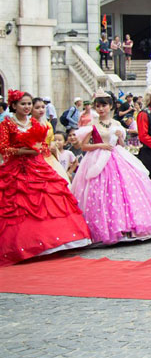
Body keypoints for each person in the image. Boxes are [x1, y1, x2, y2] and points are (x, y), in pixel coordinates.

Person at [0, 90, 92, 266]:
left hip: (37, 166)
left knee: (50, 199)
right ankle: (25, 244)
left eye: (28, 104)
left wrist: (39, 149)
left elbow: (42, 145)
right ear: (13, 106)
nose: (27, 107)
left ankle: (55, 240)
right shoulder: (6, 124)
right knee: (18, 205)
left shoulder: (34, 122)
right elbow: (4, 148)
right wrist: (24, 151)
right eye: (23, 104)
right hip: (16, 169)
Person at [71, 90, 151, 245]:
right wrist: (100, 145)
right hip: (98, 158)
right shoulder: (92, 125)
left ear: (111, 106)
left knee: (124, 190)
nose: (101, 109)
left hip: (116, 157)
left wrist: (120, 136)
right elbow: (84, 146)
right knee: (101, 192)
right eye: (98, 106)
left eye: (104, 105)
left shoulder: (116, 123)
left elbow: (120, 144)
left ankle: (127, 226)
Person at [31, 97, 70, 183]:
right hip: (34, 158)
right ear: (31, 109)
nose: (41, 110)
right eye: (37, 108)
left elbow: (51, 140)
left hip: (49, 157)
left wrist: (52, 148)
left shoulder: (48, 124)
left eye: (43, 107)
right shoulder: (29, 124)